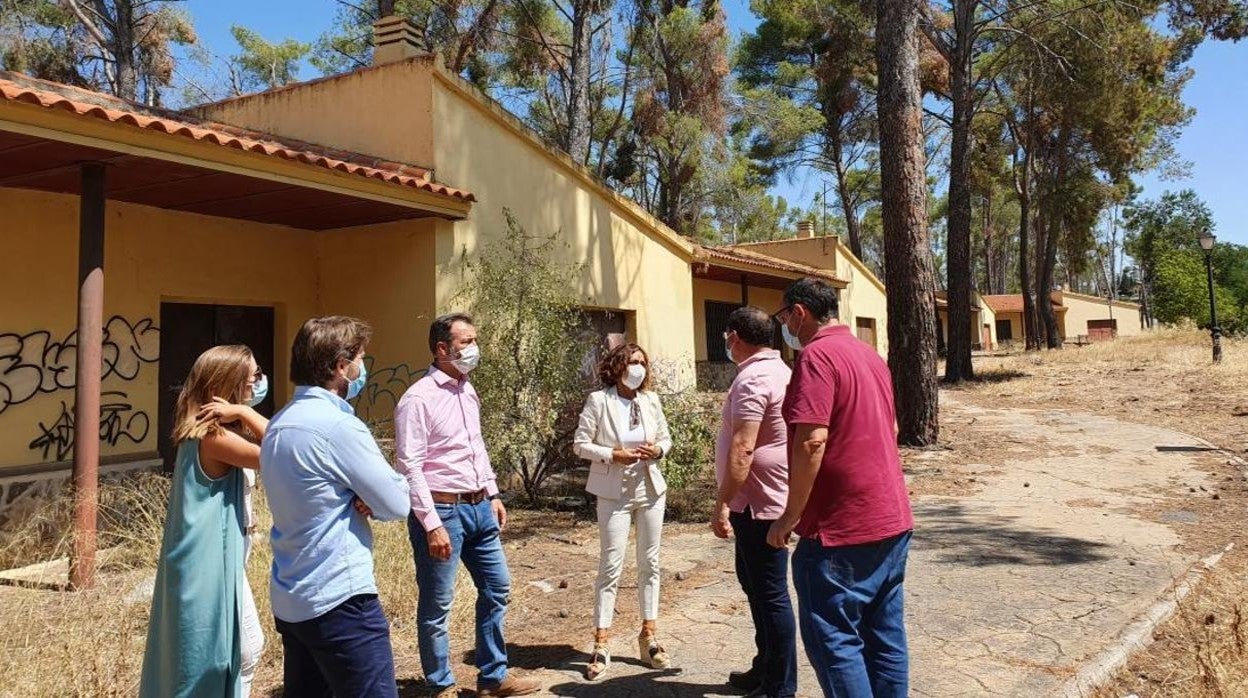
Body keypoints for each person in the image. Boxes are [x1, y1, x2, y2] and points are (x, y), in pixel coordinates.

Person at [767, 278, 915, 698]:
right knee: (885, 636)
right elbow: (893, 427)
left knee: (836, 642)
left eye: (784, 318)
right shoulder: (869, 356)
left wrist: (789, 517)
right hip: (890, 518)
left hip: (839, 530)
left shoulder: (816, 357)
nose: (786, 328)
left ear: (800, 313)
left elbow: (812, 441)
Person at [260, 316, 412, 698]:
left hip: (292, 597)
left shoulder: (280, 423)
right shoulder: (337, 426)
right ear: (341, 366)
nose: (364, 368)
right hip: (340, 600)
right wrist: (371, 494)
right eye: (361, 358)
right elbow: (396, 503)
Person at [396, 313, 540, 698]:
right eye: (466, 342)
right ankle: (440, 685)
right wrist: (431, 524)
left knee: (497, 588)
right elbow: (409, 466)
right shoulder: (417, 399)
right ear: (442, 349)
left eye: (475, 340)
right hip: (442, 512)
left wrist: (492, 493)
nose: (474, 349)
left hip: (479, 508)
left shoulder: (467, 391)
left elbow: (475, 447)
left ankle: (493, 677)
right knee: (438, 604)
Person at [140, 345, 270, 697]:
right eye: (253, 375)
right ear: (228, 382)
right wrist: (245, 412)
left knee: (238, 649)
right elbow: (286, 449)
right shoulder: (213, 437)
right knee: (230, 653)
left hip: (216, 557)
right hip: (207, 561)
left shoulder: (208, 430)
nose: (259, 382)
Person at [572, 342, 673, 681]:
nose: (638, 368)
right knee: (610, 565)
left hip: (650, 488)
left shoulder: (651, 400)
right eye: (632, 361)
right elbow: (580, 444)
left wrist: (657, 450)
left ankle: (650, 636)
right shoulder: (599, 401)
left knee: (651, 562)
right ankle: (601, 642)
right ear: (617, 366)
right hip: (613, 491)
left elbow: (665, 439)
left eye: (642, 362)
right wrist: (611, 454)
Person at [712, 307, 797, 698]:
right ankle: (765, 669)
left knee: (771, 594)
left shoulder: (753, 379)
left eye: (728, 335)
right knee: (757, 587)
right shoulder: (780, 370)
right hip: (763, 498)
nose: (726, 342)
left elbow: (744, 448)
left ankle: (780, 686)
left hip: (758, 502)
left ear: (736, 337)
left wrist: (722, 502)